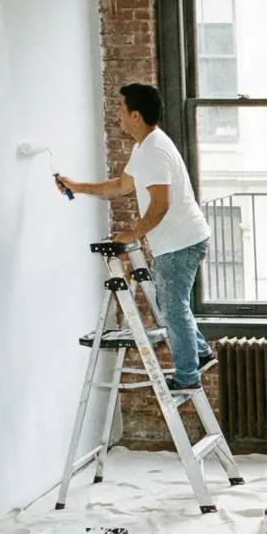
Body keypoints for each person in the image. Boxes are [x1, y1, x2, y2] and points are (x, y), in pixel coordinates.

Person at [57, 83, 215, 391]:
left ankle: (187, 377)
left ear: (136, 115)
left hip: (180, 243)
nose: (117, 114)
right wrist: (77, 186)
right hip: (180, 240)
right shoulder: (143, 146)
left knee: (173, 307)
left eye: (121, 109)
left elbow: (160, 206)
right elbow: (121, 186)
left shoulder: (154, 151)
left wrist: (132, 234)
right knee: (169, 303)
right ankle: (199, 352)